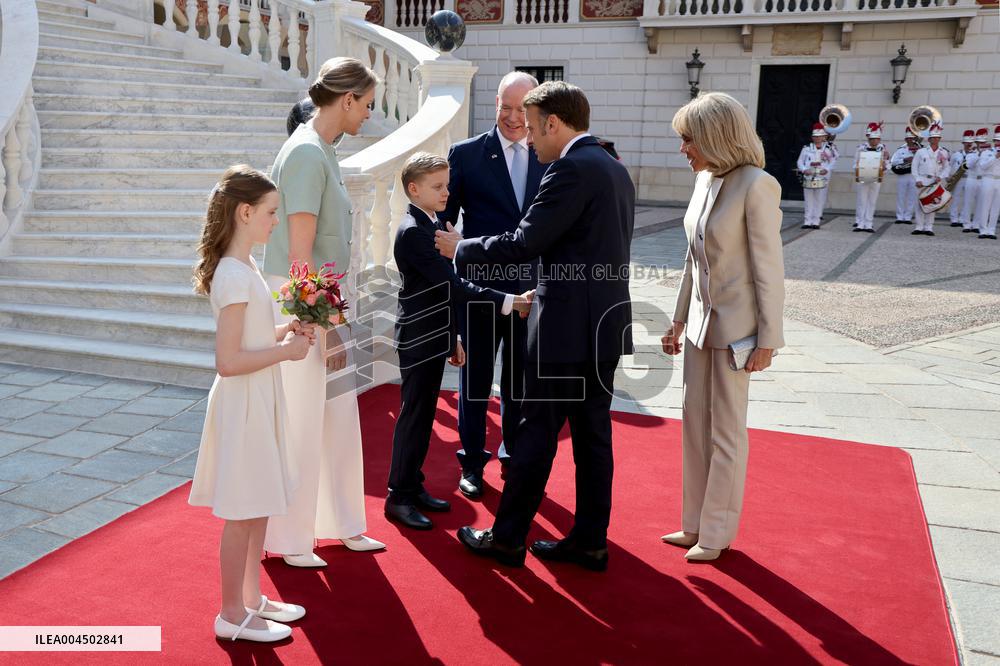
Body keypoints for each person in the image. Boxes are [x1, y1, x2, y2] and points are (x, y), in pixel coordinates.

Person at [437, 81, 635, 572]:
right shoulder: (614, 167)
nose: (529, 138)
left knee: (533, 436)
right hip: (604, 326)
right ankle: (590, 541)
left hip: (565, 328)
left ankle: (506, 540)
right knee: (593, 439)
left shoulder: (569, 168)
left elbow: (525, 241)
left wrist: (460, 248)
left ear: (553, 123)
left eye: (533, 126)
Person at [262, 57, 385, 568]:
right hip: (303, 299)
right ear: (347, 98)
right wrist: (326, 329)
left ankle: (343, 525)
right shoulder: (308, 153)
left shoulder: (325, 150)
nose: (369, 117)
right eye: (368, 105)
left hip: (326, 297)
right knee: (303, 419)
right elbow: (299, 253)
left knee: (337, 415)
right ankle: (291, 539)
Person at [660, 92, 785, 563]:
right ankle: (693, 523)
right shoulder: (705, 181)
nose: (683, 149)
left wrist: (769, 339)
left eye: (688, 139)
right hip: (697, 326)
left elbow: (768, 270)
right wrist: (676, 319)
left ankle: (716, 532)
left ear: (715, 136)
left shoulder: (757, 184)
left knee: (726, 432)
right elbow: (692, 261)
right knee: (695, 426)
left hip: (738, 331)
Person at [189, 165, 311, 642]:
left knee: (258, 502)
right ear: (244, 213)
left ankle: (252, 598)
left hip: (259, 395)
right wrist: (285, 352)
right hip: (243, 401)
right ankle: (229, 613)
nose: (277, 221)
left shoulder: (246, 267)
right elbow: (227, 360)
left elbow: (250, 338)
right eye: (271, 213)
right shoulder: (233, 275)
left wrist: (285, 330)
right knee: (242, 512)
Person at [386, 153, 531, 530]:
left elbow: (444, 294)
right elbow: (452, 286)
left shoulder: (433, 222)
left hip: (434, 334)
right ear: (413, 189)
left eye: (447, 184)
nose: (447, 192)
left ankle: (412, 486)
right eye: (437, 187)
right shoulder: (413, 231)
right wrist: (507, 300)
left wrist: (452, 338)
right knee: (414, 417)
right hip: (417, 336)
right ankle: (397, 497)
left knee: (423, 416)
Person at [438, 71, 547, 499]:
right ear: (495, 104)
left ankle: (512, 453)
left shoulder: (549, 154)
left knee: (520, 379)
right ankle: (472, 461)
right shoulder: (465, 155)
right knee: (475, 380)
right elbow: (446, 225)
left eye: (523, 109)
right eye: (507, 107)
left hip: (529, 290)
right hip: (479, 290)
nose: (514, 118)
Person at [911, 122, 951, 237]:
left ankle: (929, 227)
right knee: (920, 204)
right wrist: (917, 179)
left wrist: (941, 176)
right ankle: (919, 226)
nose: (935, 140)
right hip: (922, 180)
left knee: (933, 204)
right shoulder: (921, 152)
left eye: (937, 138)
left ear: (940, 139)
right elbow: (914, 166)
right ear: (929, 139)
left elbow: (947, 167)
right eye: (933, 138)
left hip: (935, 181)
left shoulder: (943, 152)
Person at [796, 122, 835, 229]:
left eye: (819, 137)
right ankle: (807, 221)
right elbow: (800, 162)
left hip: (821, 177)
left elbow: (832, 161)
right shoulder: (806, 148)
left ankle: (816, 221)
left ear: (823, 137)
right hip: (809, 176)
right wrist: (804, 170)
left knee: (819, 199)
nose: (817, 138)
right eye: (815, 137)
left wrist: (826, 169)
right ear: (812, 137)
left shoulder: (827, 149)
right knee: (808, 199)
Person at [852, 122, 889, 233]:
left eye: (876, 139)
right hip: (863, 177)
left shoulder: (883, 149)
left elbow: (888, 163)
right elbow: (854, 163)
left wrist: (884, 167)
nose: (874, 141)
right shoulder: (861, 148)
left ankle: (868, 224)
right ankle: (860, 223)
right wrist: (859, 169)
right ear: (868, 139)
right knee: (861, 201)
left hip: (876, 179)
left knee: (872, 201)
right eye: (872, 139)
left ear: (879, 139)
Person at [890, 127, 921, 225]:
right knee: (901, 196)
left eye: (912, 138)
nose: (910, 140)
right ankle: (899, 216)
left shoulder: (920, 149)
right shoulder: (900, 150)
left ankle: (908, 217)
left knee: (912, 197)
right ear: (905, 139)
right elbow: (893, 162)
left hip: (914, 175)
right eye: (908, 138)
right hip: (903, 175)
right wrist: (904, 160)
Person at [962, 128, 990, 234]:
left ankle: (976, 224)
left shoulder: (989, 153)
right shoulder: (971, 153)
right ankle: (966, 224)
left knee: (980, 203)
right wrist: (978, 155)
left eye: (983, 142)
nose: (981, 144)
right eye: (979, 142)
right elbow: (968, 165)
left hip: (982, 180)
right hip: (972, 179)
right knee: (968, 202)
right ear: (976, 143)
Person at [975, 125, 1000, 240]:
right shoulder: (987, 152)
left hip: (998, 180)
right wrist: (995, 156)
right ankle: (983, 229)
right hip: (988, 179)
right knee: (985, 205)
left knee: (996, 206)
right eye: (997, 141)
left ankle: (991, 230)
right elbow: (983, 166)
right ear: (994, 141)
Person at [950, 130, 976, 228]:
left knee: (967, 199)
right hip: (958, 178)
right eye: (966, 143)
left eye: (970, 143)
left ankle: (962, 218)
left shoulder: (974, 154)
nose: (968, 145)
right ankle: (954, 219)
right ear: (963, 143)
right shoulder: (956, 154)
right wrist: (949, 176)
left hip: (969, 178)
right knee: (955, 198)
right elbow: (950, 165)